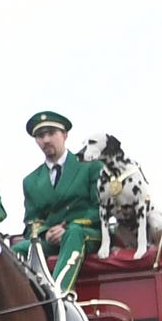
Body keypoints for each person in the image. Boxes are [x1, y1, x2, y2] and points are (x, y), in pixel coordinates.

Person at [17, 112, 104, 292]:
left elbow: (102, 208)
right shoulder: (31, 181)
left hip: (87, 233)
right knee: (15, 251)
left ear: (65, 135)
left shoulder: (90, 166)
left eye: (51, 133)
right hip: (49, 241)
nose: (46, 140)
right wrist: (46, 233)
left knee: (73, 233)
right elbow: (31, 223)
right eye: (40, 136)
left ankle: (57, 295)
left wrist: (66, 228)